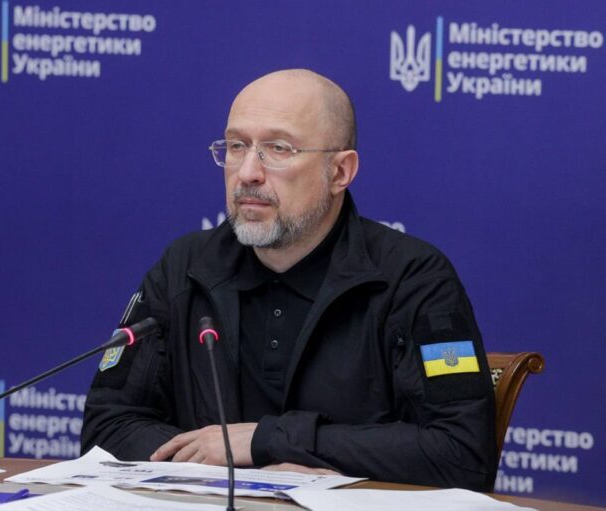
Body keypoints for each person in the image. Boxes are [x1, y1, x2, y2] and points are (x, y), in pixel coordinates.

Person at [81, 69, 497, 491]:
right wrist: (236, 474)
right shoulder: (185, 267)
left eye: (278, 149)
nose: (248, 172)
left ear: (340, 172)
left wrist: (266, 440)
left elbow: (462, 453)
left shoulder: (413, 278)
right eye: (237, 146)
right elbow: (106, 426)